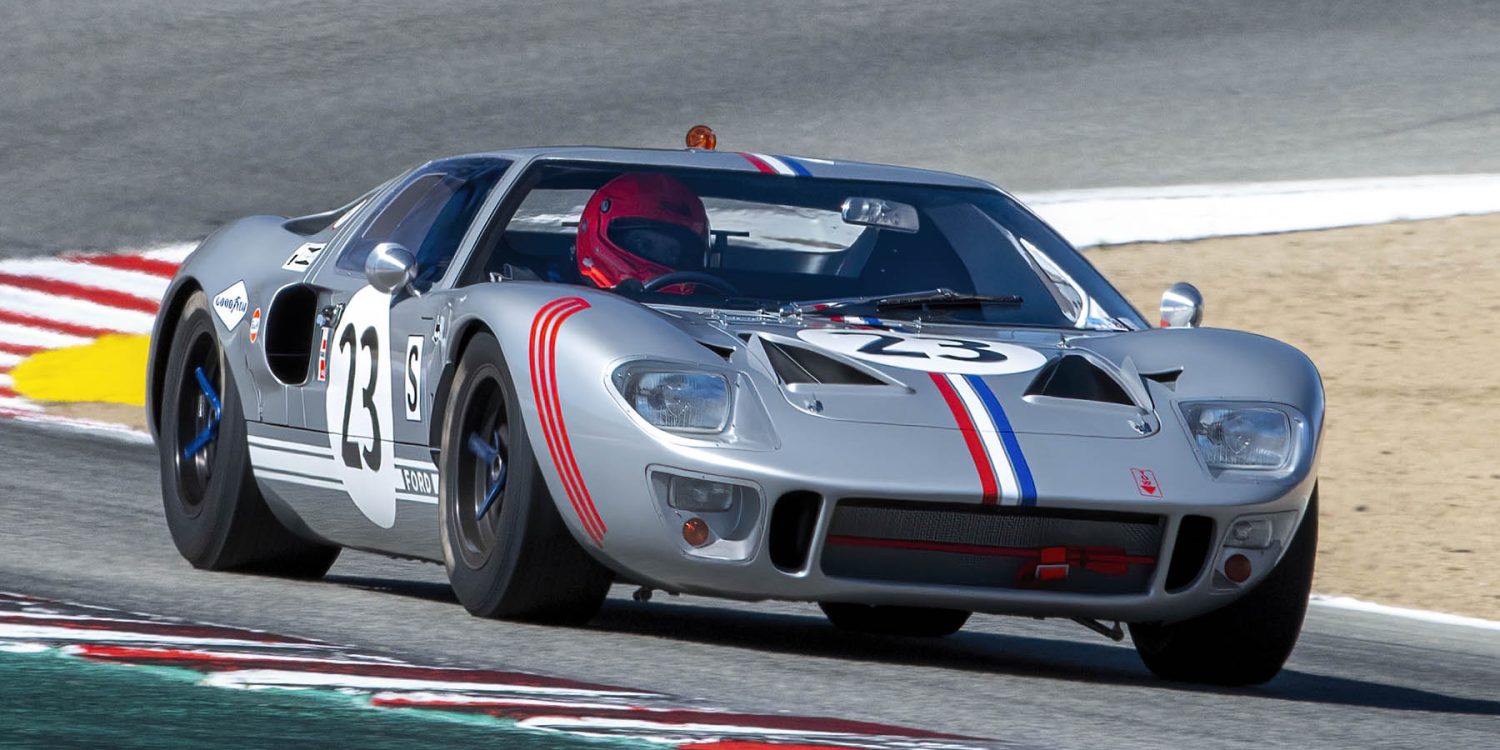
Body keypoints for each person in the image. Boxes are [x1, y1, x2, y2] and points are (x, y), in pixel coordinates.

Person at [576, 173, 710, 293]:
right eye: (643, 245)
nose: (658, 258)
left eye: (671, 253)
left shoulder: (704, 310)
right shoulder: (557, 293)